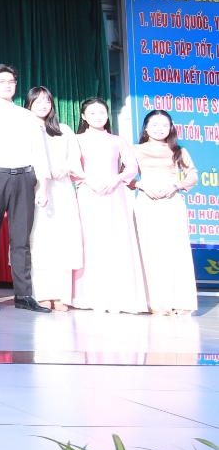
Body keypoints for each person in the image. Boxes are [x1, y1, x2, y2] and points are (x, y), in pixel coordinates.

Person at [0, 64, 52, 313]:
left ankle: (23, 295)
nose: (7, 85)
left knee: (21, 240)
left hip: (24, 178)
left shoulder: (27, 116)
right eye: (1, 81)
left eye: (11, 81)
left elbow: (39, 152)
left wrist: (43, 186)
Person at [70, 98, 147, 315]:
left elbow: (132, 166)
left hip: (114, 194)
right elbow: (71, 168)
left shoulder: (117, 141)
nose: (98, 116)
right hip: (88, 192)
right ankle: (86, 295)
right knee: (89, 240)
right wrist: (88, 181)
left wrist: (116, 179)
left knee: (115, 239)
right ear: (83, 116)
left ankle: (116, 294)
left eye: (102, 112)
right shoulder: (76, 140)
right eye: (92, 113)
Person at [134, 109, 199, 317]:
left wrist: (176, 185)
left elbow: (193, 175)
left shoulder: (178, 150)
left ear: (171, 128)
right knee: (149, 250)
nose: (159, 129)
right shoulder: (135, 150)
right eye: (154, 124)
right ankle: (153, 302)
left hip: (172, 203)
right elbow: (124, 177)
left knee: (174, 250)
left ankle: (178, 301)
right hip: (147, 203)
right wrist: (142, 185)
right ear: (145, 128)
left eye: (164, 125)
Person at [26, 86, 82, 311]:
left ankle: (61, 295)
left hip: (61, 189)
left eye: (47, 101)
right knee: (39, 239)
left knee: (62, 239)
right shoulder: (24, 129)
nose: (43, 105)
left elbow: (75, 157)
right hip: (35, 189)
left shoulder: (63, 130)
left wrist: (65, 167)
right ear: (29, 104)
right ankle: (41, 293)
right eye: (37, 101)